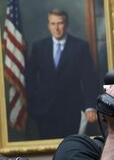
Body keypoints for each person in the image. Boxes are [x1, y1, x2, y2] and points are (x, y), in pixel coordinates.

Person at [24, 9, 100, 139]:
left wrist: (90, 106)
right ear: (48, 25)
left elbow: (89, 79)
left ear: (66, 24)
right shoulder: (39, 47)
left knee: (69, 145)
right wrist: (34, 104)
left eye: (60, 23)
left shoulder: (80, 47)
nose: (57, 28)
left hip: (72, 110)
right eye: (53, 24)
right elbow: (29, 77)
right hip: (44, 112)